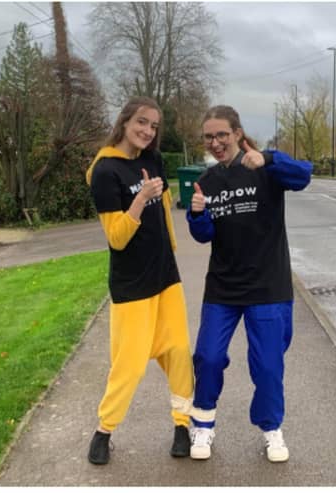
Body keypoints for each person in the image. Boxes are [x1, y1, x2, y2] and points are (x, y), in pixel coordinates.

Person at [186, 105, 312, 462]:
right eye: (209, 136)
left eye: (222, 134)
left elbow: (304, 175)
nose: (216, 142)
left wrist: (270, 159)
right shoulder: (208, 182)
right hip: (223, 289)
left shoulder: (265, 169)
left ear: (238, 133)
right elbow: (204, 235)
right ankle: (204, 426)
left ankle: (272, 429)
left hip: (268, 288)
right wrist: (197, 213)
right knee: (208, 358)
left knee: (268, 365)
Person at [85, 96, 193, 465]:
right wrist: (140, 199)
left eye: (154, 126)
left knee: (178, 352)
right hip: (132, 283)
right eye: (142, 122)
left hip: (165, 275)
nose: (148, 131)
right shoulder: (105, 171)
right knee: (129, 363)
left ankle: (182, 425)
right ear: (125, 120)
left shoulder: (153, 159)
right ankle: (104, 430)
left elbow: (162, 209)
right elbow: (116, 237)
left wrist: (172, 247)